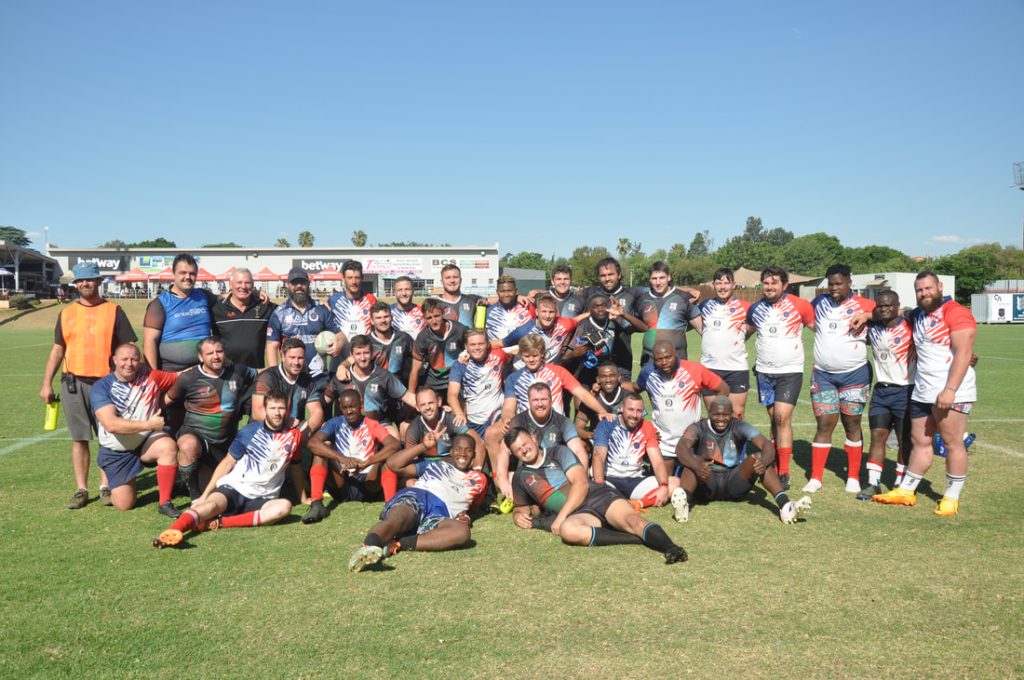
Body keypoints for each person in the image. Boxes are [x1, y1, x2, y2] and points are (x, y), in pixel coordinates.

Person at [873, 271, 978, 516]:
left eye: (928, 288)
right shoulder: (918, 315)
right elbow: (895, 313)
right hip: (922, 391)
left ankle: (951, 497)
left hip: (951, 391)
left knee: (952, 443)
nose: (924, 293)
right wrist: (865, 315)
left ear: (940, 286)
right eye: (919, 290)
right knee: (919, 441)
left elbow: (964, 353)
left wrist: (950, 390)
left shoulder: (956, 312)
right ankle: (906, 490)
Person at [505, 427, 687, 564]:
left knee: (632, 520)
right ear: (513, 454)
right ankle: (636, 538)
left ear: (534, 438)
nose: (524, 450)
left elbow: (581, 484)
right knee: (568, 531)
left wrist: (560, 517)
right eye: (517, 449)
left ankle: (672, 548)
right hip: (580, 513)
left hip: (597, 496)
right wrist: (517, 516)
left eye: (525, 443)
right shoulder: (521, 477)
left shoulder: (558, 452)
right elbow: (521, 508)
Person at [40, 261, 137, 509]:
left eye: (90, 279)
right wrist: (46, 383)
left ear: (99, 281)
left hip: (107, 384)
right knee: (79, 438)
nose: (85, 283)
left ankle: (106, 486)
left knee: (109, 436)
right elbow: (58, 349)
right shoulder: (66, 313)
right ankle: (81, 489)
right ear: (76, 284)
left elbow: (128, 348)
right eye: (80, 280)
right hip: (73, 383)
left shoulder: (114, 311)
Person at [152, 389, 304, 548]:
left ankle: (219, 523)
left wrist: (303, 497)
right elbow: (227, 463)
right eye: (273, 408)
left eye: (281, 408)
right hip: (235, 488)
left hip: (264, 498)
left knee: (283, 508)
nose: (277, 413)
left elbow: (296, 466)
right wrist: (204, 496)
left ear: (287, 410)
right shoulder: (249, 431)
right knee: (209, 506)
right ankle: (172, 531)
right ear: (265, 409)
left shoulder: (294, 436)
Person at [347, 433, 489, 571]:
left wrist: (467, 516)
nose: (463, 454)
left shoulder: (480, 480)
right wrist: (423, 446)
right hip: (418, 496)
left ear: (474, 455)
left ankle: (399, 543)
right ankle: (367, 548)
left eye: (468, 450)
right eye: (458, 449)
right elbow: (393, 464)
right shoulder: (437, 464)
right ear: (451, 451)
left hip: (441, 514)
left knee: (462, 532)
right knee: (400, 518)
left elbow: (474, 507)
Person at [671, 396, 812, 524]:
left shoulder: (739, 425)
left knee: (758, 459)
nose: (721, 419)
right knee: (693, 460)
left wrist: (763, 463)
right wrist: (697, 466)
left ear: (731, 414)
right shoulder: (698, 427)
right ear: (709, 413)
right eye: (716, 414)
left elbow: (766, 445)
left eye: (725, 415)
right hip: (707, 482)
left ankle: (786, 506)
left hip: (734, 483)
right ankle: (684, 505)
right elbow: (681, 448)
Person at [806, 264, 876, 494]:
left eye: (839, 283)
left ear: (849, 283)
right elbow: (804, 317)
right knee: (824, 424)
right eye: (831, 284)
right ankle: (816, 477)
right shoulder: (819, 302)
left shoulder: (865, 304)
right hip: (823, 375)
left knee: (852, 423)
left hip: (855, 374)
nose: (834, 288)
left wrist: (867, 316)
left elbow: (892, 312)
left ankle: (853, 476)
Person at [745, 265, 814, 489]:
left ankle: (784, 472)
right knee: (774, 418)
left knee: (783, 417)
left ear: (784, 285)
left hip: (790, 371)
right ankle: (774, 462)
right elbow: (746, 332)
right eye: (766, 283)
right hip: (764, 372)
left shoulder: (800, 305)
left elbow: (819, 330)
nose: (769, 287)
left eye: (774, 283)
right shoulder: (755, 309)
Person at [90, 343, 180, 516]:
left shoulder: (151, 377)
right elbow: (111, 424)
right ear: (114, 360)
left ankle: (165, 502)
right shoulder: (101, 387)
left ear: (140, 361)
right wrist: (150, 425)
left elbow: (181, 377)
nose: (129, 364)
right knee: (124, 504)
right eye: (124, 359)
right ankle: (110, 480)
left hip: (145, 442)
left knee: (167, 447)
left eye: (134, 359)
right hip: (117, 452)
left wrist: (206, 363)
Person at [165, 336, 259, 499]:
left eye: (219, 351)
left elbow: (259, 374)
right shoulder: (188, 378)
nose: (215, 356)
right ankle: (194, 497)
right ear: (201, 357)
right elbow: (166, 400)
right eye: (210, 353)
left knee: (217, 489)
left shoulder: (238, 371)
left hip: (224, 442)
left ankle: (187, 482)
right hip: (196, 435)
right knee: (187, 445)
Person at [631, 340, 729, 477]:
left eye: (668, 357)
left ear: (676, 354)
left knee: (692, 483)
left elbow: (723, 388)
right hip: (663, 442)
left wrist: (711, 420)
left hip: (691, 441)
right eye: (659, 359)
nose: (664, 362)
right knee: (663, 484)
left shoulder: (694, 369)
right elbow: (634, 388)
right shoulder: (648, 373)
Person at [303, 389, 401, 523]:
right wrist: (342, 458)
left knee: (388, 457)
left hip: (369, 483)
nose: (349, 411)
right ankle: (317, 505)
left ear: (361, 405)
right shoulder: (335, 422)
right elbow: (312, 443)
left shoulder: (372, 424)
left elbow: (394, 445)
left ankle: (390, 507)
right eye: (344, 408)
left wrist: (368, 462)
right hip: (342, 483)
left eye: (352, 407)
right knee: (320, 451)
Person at [858, 290, 914, 499]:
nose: (884, 309)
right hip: (881, 391)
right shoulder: (873, 328)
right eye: (880, 305)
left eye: (889, 305)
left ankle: (900, 482)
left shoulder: (910, 326)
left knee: (903, 439)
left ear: (897, 306)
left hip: (905, 391)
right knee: (877, 436)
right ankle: (873, 483)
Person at [493, 382, 589, 499]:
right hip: (527, 473)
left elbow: (579, 451)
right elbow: (503, 451)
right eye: (535, 400)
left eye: (544, 399)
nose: (540, 404)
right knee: (509, 478)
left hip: (555, 472)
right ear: (529, 401)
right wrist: (503, 480)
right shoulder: (518, 421)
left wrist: (581, 481)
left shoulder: (563, 422)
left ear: (551, 400)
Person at [591, 392, 671, 509]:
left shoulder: (647, 426)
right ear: (621, 408)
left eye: (639, 411)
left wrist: (663, 486)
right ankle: (613, 498)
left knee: (673, 483)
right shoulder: (607, 424)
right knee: (589, 489)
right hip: (609, 479)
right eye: (631, 409)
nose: (634, 415)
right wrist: (600, 485)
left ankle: (638, 503)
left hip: (635, 480)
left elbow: (657, 461)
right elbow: (598, 456)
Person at [324, 335, 417, 434]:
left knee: (393, 434)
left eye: (366, 353)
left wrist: (426, 405)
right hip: (348, 426)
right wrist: (322, 421)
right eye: (358, 354)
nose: (363, 358)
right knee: (325, 439)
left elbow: (408, 397)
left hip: (378, 424)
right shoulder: (342, 375)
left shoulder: (384, 376)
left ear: (372, 353)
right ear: (351, 355)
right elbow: (324, 401)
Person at [143, 253, 218, 371]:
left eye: (192, 273)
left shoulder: (204, 296)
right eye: (183, 273)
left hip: (206, 369)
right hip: (173, 372)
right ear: (173, 274)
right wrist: (154, 376)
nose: (188, 277)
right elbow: (149, 342)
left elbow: (228, 299)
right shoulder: (159, 304)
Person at [266, 267, 340, 382]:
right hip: (291, 378)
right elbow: (272, 345)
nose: (299, 286)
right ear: (288, 285)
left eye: (303, 282)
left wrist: (339, 344)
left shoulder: (321, 309)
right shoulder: (279, 313)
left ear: (308, 284)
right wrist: (275, 377)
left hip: (319, 377)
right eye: (294, 283)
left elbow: (339, 334)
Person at [697, 268, 752, 419]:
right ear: (713, 285)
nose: (722, 287)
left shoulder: (746, 307)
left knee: (737, 414)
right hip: (709, 368)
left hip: (736, 369)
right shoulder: (704, 306)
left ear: (734, 285)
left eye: (726, 283)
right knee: (713, 414)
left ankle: (736, 437)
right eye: (718, 283)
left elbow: (752, 329)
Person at [251, 337, 325, 447]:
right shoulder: (267, 378)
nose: (296, 362)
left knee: (325, 439)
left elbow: (317, 412)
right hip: (264, 430)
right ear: (282, 356)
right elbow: (257, 413)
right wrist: (285, 420)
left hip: (293, 429)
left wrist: (303, 435)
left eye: (300, 358)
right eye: (292, 357)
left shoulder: (307, 380)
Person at [566, 293, 646, 383]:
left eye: (603, 305)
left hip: (609, 370)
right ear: (589, 310)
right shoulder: (582, 327)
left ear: (608, 307)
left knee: (626, 387)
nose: (600, 309)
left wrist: (624, 314)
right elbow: (565, 357)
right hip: (587, 372)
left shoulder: (613, 323)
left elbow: (643, 328)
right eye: (596, 306)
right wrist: (574, 354)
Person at [448, 329, 513, 438]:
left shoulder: (499, 355)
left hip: (498, 414)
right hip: (475, 420)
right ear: (466, 346)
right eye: (472, 345)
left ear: (487, 344)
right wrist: (459, 414)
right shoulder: (459, 365)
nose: (477, 347)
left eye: (481, 344)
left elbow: (519, 349)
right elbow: (452, 395)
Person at [401, 387, 486, 469]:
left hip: (451, 463)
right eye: (423, 405)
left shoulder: (451, 420)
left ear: (439, 402)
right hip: (425, 465)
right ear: (417, 407)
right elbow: (409, 457)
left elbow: (477, 442)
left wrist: (477, 470)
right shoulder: (414, 427)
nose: (427, 407)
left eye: (431, 403)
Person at [637, 261, 701, 365]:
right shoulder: (642, 299)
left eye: (662, 278)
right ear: (649, 280)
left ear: (669, 277)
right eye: (654, 278)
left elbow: (701, 329)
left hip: (678, 361)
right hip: (649, 362)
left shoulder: (684, 298)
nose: (658, 282)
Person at [211, 267, 276, 369]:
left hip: (256, 372)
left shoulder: (265, 307)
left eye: (248, 283)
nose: (243, 286)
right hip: (226, 373)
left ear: (253, 285)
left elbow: (286, 311)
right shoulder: (216, 309)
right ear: (230, 285)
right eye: (239, 282)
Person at [409, 298, 468, 401]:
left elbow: (472, 349)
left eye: (436, 316)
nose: (434, 321)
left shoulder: (459, 330)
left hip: (457, 378)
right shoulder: (423, 337)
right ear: (424, 318)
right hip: (434, 381)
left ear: (443, 313)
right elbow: (415, 370)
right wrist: (411, 397)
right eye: (429, 318)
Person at [500, 293, 577, 368]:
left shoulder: (563, 325)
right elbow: (499, 343)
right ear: (537, 312)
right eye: (544, 311)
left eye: (551, 312)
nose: (547, 316)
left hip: (546, 373)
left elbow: (579, 320)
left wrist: (571, 347)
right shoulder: (523, 331)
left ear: (556, 313)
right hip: (521, 372)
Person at [574, 361, 631, 444]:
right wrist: (591, 435)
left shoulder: (629, 397)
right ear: (598, 379)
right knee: (580, 444)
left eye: (612, 376)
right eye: (604, 377)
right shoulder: (591, 399)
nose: (608, 380)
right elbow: (576, 429)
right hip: (598, 442)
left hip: (624, 442)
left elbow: (641, 425)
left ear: (619, 377)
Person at [327, 259, 378, 341]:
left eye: (357, 278)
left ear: (362, 278)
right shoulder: (333, 300)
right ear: (343, 278)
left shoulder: (371, 299)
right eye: (350, 278)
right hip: (342, 348)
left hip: (365, 348)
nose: (354, 282)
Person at [367, 301, 415, 384]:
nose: (383, 320)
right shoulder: (367, 342)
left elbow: (419, 359)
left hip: (402, 387)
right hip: (377, 387)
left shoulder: (404, 338)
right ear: (372, 321)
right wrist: (343, 366)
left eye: (386, 316)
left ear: (391, 317)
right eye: (378, 318)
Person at [484, 275, 535, 345]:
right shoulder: (487, 311)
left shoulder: (527, 308)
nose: (506, 294)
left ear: (516, 291)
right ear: (497, 292)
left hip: (522, 351)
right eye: (502, 291)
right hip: (495, 351)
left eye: (509, 291)